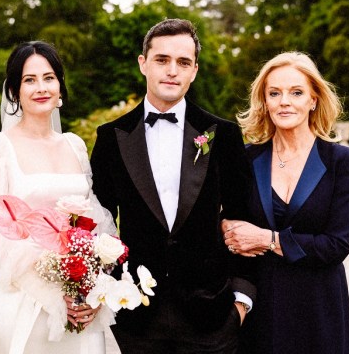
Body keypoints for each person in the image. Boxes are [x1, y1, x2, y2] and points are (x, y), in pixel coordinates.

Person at [90, 18, 256, 353]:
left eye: (182, 62)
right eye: (162, 60)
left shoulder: (221, 135)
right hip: (137, 318)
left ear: (194, 70)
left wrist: (240, 302)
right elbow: (97, 222)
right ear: (143, 64)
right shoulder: (112, 137)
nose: (172, 71)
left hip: (212, 317)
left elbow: (245, 217)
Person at [0, 41, 117, 353]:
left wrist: (92, 287)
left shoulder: (74, 145)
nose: (41, 87)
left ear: (60, 87)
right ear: (14, 91)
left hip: (80, 300)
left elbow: (95, 216)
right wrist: (54, 293)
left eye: (49, 78)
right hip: (25, 297)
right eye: (29, 80)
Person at [223, 51, 349, 353]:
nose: (284, 101)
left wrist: (268, 239)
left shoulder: (341, 161)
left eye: (296, 92)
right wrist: (227, 231)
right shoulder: (245, 158)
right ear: (265, 101)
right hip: (261, 306)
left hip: (319, 307)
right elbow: (228, 224)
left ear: (313, 100)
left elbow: (337, 245)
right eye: (275, 93)